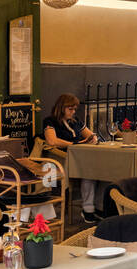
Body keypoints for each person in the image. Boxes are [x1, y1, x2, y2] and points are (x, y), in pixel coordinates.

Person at [43, 94, 101, 222]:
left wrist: (92, 140)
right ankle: (88, 209)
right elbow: (52, 141)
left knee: (97, 168)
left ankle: (93, 208)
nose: (73, 112)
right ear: (61, 108)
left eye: (74, 109)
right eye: (70, 109)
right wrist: (75, 144)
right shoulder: (50, 121)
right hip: (60, 160)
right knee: (88, 170)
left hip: (79, 158)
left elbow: (91, 135)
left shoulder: (75, 121)